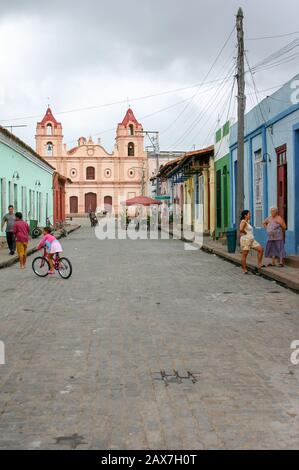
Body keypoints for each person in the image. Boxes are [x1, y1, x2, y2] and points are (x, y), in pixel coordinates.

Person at [240, 210, 264, 274]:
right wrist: (246, 233)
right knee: (245, 254)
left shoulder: (247, 222)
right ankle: (244, 269)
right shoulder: (243, 221)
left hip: (251, 240)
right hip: (246, 240)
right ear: (245, 215)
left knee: (260, 249)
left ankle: (259, 263)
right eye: (249, 214)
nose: (250, 215)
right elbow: (241, 229)